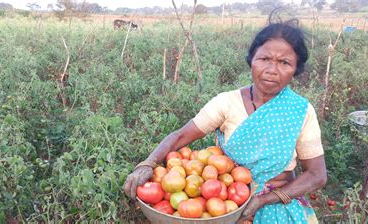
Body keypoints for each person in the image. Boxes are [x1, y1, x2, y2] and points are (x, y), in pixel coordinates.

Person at [123, 14, 327, 223]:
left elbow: (317, 175)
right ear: (252, 60)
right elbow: (181, 136)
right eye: (264, 59)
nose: (272, 70)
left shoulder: (300, 110)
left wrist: (265, 199)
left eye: (284, 62)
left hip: (277, 203)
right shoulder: (226, 103)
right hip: (223, 204)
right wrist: (148, 163)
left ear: (295, 69)